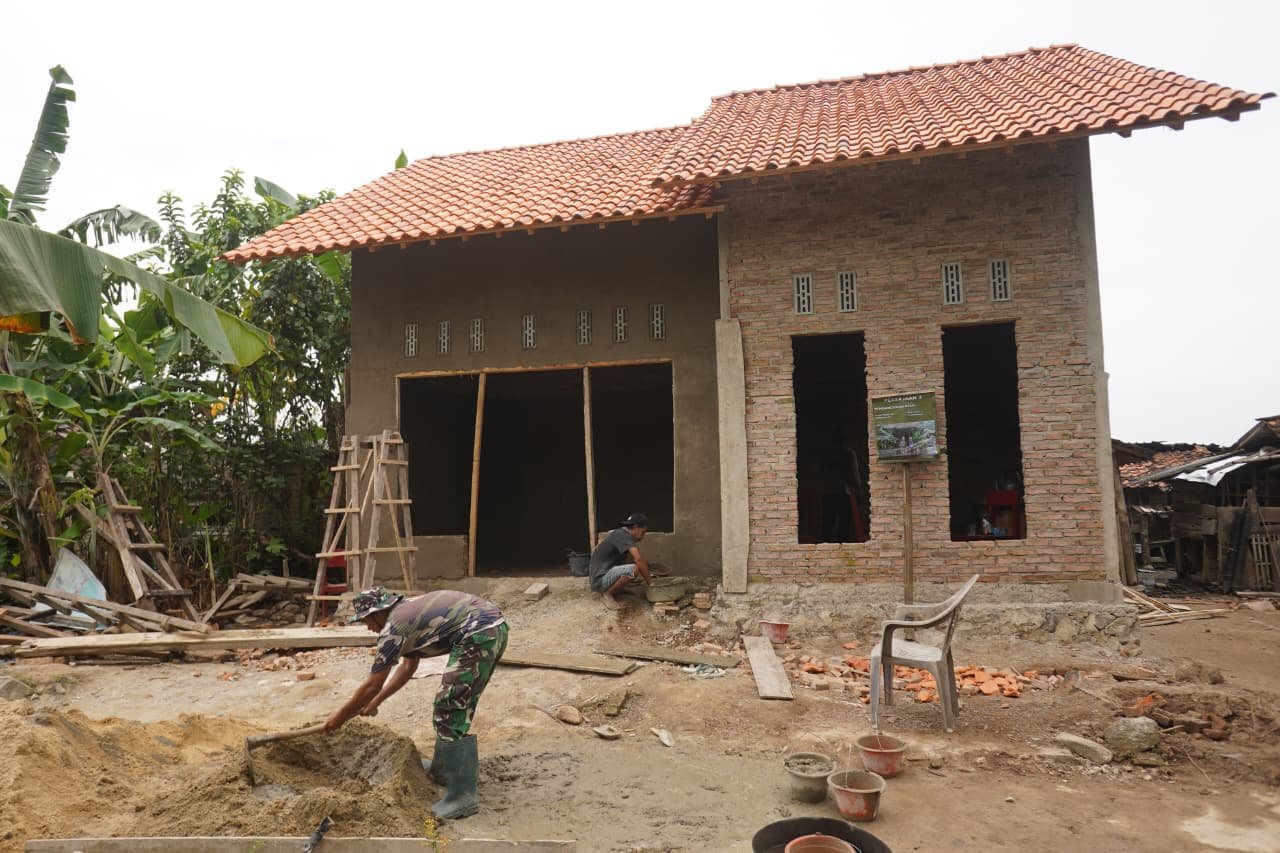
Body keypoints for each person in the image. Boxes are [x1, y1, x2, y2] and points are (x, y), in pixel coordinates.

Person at [323, 586, 508, 820]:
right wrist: (375, 702)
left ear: (378, 613)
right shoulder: (407, 613)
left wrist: (340, 717)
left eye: (366, 620)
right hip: (490, 627)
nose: (368, 627)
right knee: (451, 703)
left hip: (480, 632)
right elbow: (408, 666)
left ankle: (462, 797)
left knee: (450, 707)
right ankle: (444, 769)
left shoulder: (394, 628)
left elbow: (372, 684)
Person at [588, 512, 653, 610]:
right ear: (635, 527)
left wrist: (646, 566)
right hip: (599, 580)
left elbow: (637, 558)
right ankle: (607, 594)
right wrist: (651, 583)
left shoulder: (622, 534)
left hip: (603, 574)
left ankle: (618, 589)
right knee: (634, 569)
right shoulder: (622, 535)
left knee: (630, 559)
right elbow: (639, 559)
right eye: (642, 532)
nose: (642, 537)